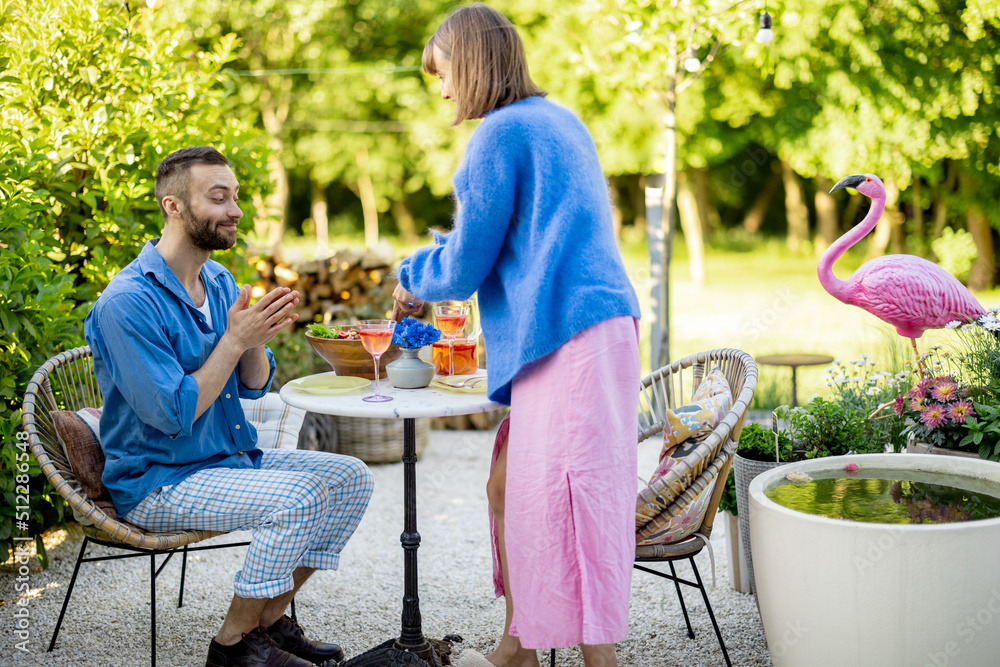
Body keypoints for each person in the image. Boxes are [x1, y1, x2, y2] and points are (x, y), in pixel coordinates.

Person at [392, 5, 641, 667]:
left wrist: (413, 272)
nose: (442, 90)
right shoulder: (557, 120)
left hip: (568, 333)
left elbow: (468, 262)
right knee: (518, 487)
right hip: (596, 327)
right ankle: (517, 646)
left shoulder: (499, 135)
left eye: (443, 73)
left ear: (471, 64)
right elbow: (509, 235)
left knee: (568, 495)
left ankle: (595, 662)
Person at [85, 146, 374, 667]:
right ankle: (232, 647)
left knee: (351, 477)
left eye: (235, 196)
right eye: (219, 198)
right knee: (298, 499)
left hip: (222, 461)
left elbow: (254, 387)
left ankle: (268, 621)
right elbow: (173, 415)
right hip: (159, 480)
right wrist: (233, 341)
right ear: (173, 206)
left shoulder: (217, 281)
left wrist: (255, 334)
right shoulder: (126, 302)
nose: (235, 209)